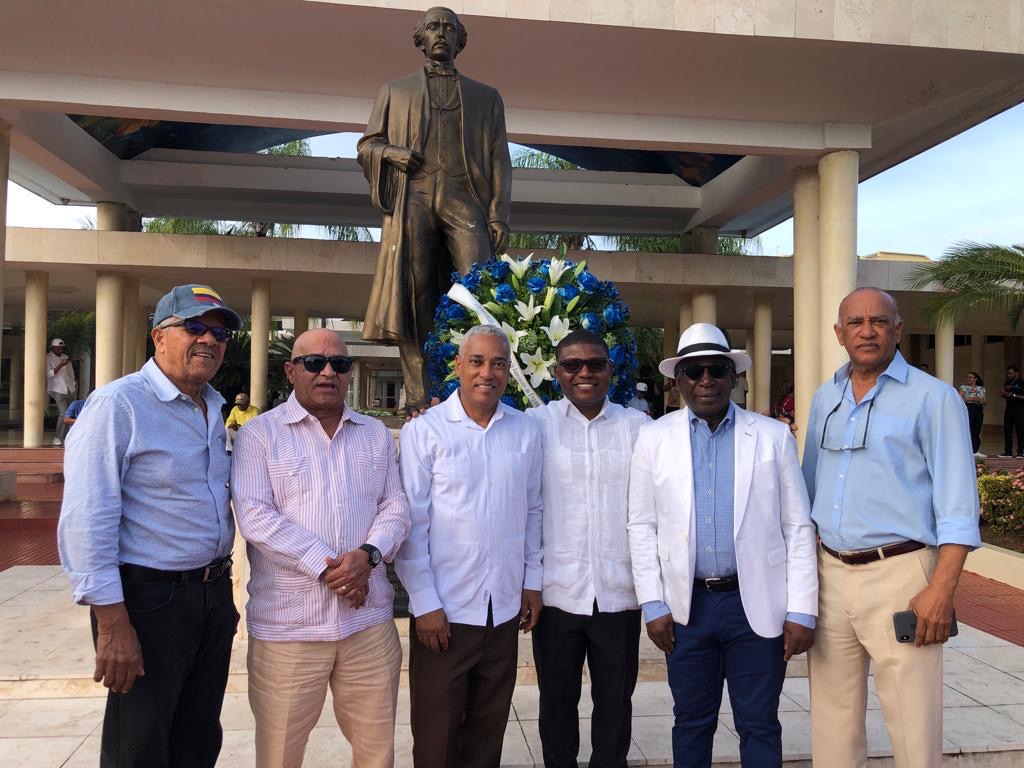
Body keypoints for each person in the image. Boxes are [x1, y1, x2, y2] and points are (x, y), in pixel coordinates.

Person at [57, 283, 242, 768]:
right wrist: (112, 623)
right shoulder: (118, 405)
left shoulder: (213, 406)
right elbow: (86, 518)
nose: (209, 340)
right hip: (147, 601)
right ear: (158, 335)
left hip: (211, 595)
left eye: (220, 333)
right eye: (195, 327)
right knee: (139, 745)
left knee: (196, 738)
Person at [802, 287, 981, 768]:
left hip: (901, 577)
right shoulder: (825, 397)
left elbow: (959, 508)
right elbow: (808, 493)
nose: (867, 331)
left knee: (912, 724)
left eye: (878, 321)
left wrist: (941, 589)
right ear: (839, 334)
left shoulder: (934, 399)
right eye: (855, 323)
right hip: (829, 575)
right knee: (832, 723)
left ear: (897, 329)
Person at [628, 322, 818, 768]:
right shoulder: (653, 438)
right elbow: (641, 525)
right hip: (686, 608)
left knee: (759, 724)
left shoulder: (772, 436)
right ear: (678, 381)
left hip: (755, 607)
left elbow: (797, 527)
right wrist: (652, 603)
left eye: (716, 369)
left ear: (734, 376)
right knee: (691, 723)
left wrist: (802, 610)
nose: (706, 380)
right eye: (694, 371)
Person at [231, 329, 412, 768]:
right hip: (289, 630)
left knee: (376, 756)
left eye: (339, 364)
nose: (328, 372)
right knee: (279, 757)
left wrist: (368, 556)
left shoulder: (373, 433)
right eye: (314, 363)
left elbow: (396, 506)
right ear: (291, 370)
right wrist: (332, 569)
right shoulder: (260, 435)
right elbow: (255, 516)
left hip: (367, 625)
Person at [395, 324, 542, 768]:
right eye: (476, 362)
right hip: (445, 614)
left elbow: (533, 510)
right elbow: (412, 523)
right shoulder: (426, 431)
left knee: (486, 734)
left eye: (498, 364)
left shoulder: (526, 431)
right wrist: (424, 603)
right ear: (458, 366)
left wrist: (532, 582)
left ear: (509, 371)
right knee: (436, 739)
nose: (487, 373)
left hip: (502, 610)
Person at [358, 6, 512, 406]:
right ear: (420, 38)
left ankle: (478, 386)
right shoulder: (394, 91)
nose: (440, 33)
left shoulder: (486, 97)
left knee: (479, 290)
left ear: (461, 40)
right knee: (415, 292)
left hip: (465, 196)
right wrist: (392, 153)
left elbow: (499, 158)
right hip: (415, 196)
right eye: (432, 27)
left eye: (448, 27)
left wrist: (498, 213)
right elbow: (368, 145)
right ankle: (419, 394)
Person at [527, 329, 649, 768]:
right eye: (572, 365)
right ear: (556, 372)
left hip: (619, 593)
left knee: (615, 703)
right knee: (556, 701)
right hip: (557, 593)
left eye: (595, 364)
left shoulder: (639, 428)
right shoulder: (534, 425)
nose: (584, 373)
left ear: (610, 370)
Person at [46, 337, 77, 445]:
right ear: (53, 348)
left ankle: (69, 436)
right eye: (58, 348)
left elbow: (71, 373)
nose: (60, 349)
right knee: (63, 413)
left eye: (62, 348)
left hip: (70, 388)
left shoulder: (65, 357)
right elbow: (49, 374)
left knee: (72, 413)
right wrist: (60, 365)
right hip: (57, 389)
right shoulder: (48, 358)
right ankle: (57, 437)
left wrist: (73, 384)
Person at [959, 371, 986, 458]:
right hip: (968, 408)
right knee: (968, 428)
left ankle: (975, 450)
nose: (968, 379)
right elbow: (960, 399)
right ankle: (967, 450)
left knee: (977, 429)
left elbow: (985, 401)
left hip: (978, 408)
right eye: (967, 377)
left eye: (970, 377)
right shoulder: (964, 387)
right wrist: (971, 398)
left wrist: (980, 400)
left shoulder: (981, 389)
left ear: (975, 379)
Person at [998, 365, 1024, 458]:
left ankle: (1020, 452)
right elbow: (1006, 395)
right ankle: (1008, 451)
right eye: (1008, 373)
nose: (1009, 375)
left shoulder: (1022, 383)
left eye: (1011, 373)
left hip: (1020, 410)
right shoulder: (1007, 382)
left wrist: (1013, 395)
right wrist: (1003, 394)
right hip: (1009, 409)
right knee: (1007, 430)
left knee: (1020, 431)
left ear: (1017, 373)